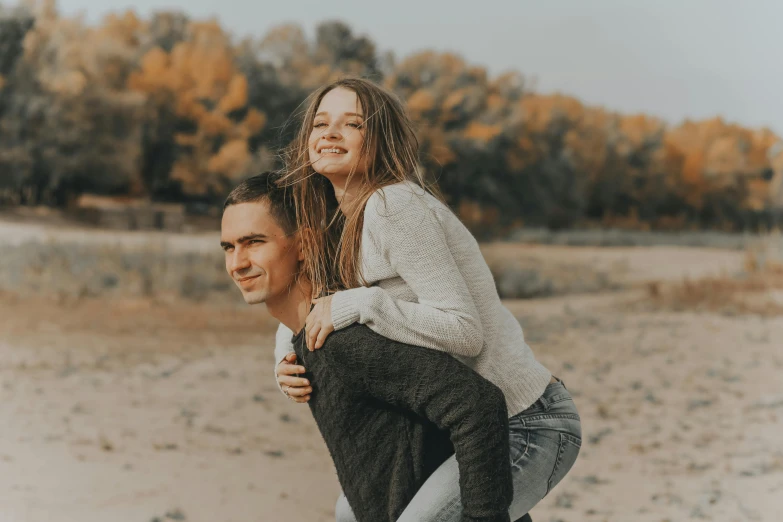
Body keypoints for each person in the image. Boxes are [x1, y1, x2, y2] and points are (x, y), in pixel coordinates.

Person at [274, 77, 581, 522]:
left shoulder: (393, 205)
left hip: (523, 422)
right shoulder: (339, 221)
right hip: (450, 432)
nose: (330, 132)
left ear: (380, 141)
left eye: (352, 124)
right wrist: (284, 356)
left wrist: (363, 304)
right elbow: (308, 304)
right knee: (350, 511)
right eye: (320, 123)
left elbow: (464, 330)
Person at [221, 172, 524, 522]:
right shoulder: (306, 341)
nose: (236, 264)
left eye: (253, 242)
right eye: (228, 247)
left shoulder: (344, 340)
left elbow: (478, 405)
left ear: (304, 245)